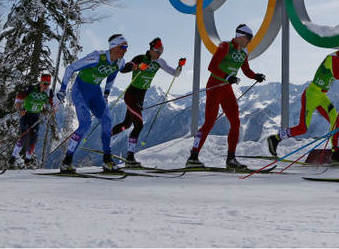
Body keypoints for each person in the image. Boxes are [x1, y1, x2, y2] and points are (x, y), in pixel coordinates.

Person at [266, 39, 339, 163]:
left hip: (321, 96)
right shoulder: (333, 58)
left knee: (336, 121)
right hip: (311, 95)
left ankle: (335, 152)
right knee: (303, 128)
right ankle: (275, 138)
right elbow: (337, 75)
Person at [186, 24, 266, 170]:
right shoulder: (225, 46)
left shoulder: (243, 53)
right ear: (240, 36)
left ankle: (231, 159)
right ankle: (193, 156)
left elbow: (246, 70)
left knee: (235, 122)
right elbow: (212, 66)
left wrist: (256, 76)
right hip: (214, 87)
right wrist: (227, 76)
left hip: (226, 89)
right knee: (209, 123)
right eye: (249, 38)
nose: (250, 41)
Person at [56, 34, 129, 172]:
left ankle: (107, 160)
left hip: (95, 92)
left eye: (126, 47)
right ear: (113, 47)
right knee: (85, 124)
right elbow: (71, 68)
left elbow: (112, 75)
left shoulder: (120, 62)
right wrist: (62, 89)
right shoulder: (97, 57)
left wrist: (106, 93)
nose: (125, 49)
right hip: (80, 90)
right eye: (123, 46)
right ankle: (67, 161)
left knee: (107, 120)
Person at [111, 37, 184, 166]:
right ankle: (130, 157)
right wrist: (136, 67)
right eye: (157, 51)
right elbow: (123, 70)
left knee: (126, 125)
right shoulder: (140, 58)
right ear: (151, 50)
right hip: (131, 95)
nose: (159, 54)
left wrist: (180, 66)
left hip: (141, 98)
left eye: (161, 52)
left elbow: (175, 74)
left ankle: (106, 136)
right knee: (139, 125)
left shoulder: (159, 62)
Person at [8, 73, 55, 168]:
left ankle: (28, 159)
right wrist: (20, 110)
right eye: (45, 83)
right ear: (40, 82)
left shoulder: (49, 92)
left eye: (48, 84)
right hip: (26, 114)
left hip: (36, 116)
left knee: (33, 139)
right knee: (24, 136)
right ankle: (13, 157)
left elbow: (52, 104)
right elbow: (18, 98)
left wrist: (52, 110)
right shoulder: (31, 89)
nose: (46, 86)